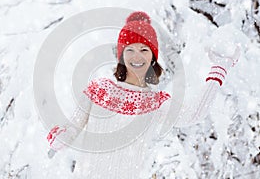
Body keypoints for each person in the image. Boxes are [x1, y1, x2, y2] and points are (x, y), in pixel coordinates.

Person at [46, 11, 240, 178]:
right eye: (129, 49)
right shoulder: (99, 89)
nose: (136, 56)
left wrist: (219, 69)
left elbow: (195, 114)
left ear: (152, 57)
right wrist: (60, 139)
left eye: (144, 50)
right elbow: (73, 126)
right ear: (121, 55)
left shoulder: (154, 104)